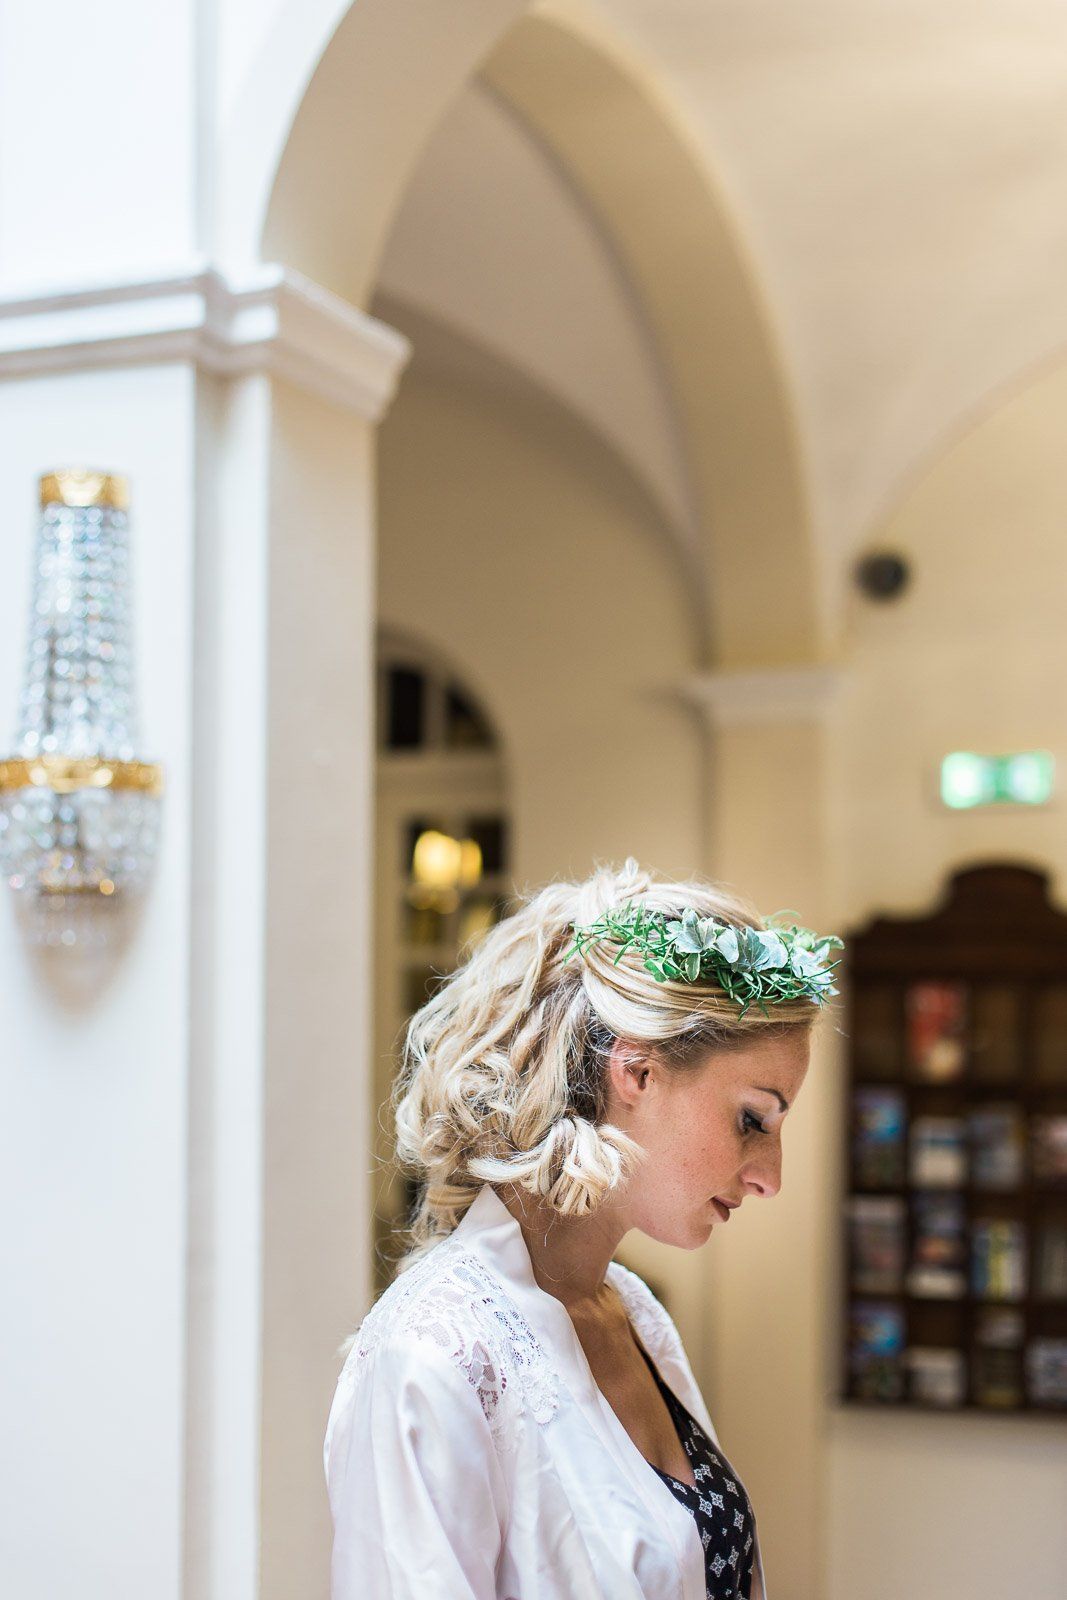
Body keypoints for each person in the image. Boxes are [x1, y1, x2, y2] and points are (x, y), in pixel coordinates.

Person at [323, 856, 842, 1599]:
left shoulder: (633, 1313)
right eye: (750, 1120)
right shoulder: (432, 1352)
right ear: (635, 1073)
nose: (770, 1176)